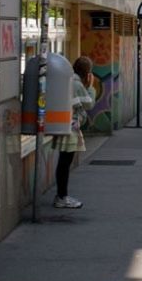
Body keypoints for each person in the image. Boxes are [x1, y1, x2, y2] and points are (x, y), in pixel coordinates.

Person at [53, 56, 96, 209]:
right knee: (65, 163)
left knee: (63, 162)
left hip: (64, 123)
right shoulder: (77, 84)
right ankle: (62, 196)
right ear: (87, 72)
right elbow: (89, 103)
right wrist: (91, 87)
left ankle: (61, 194)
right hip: (70, 127)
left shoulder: (69, 80)